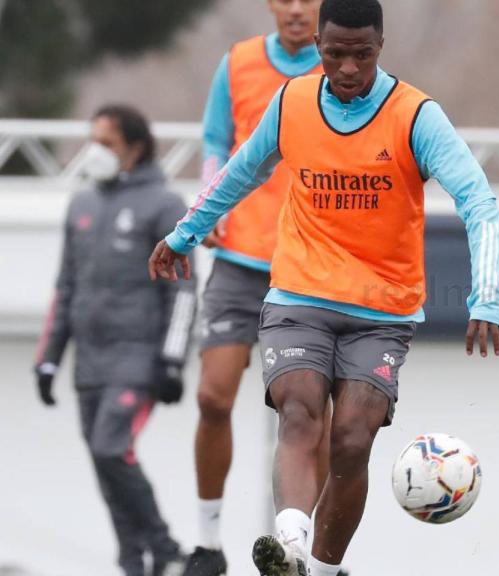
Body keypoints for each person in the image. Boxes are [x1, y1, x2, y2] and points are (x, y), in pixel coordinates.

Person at [148, 1, 499, 574]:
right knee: (298, 412)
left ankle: (320, 570)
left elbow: (480, 204)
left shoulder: (415, 115)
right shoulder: (292, 101)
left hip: (382, 309)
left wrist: (487, 295)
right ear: (318, 45)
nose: (346, 68)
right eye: (334, 53)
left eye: (360, 55)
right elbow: (243, 169)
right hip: (298, 296)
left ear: (380, 47)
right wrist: (186, 233)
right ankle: (289, 549)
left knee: (352, 440)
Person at [184, 2, 324, 574]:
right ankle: (208, 542)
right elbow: (217, 140)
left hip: (309, 263)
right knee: (213, 396)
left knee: (310, 415)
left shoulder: (341, 70)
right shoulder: (238, 63)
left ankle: (309, 556)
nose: (296, 8)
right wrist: (208, 198)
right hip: (240, 258)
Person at [34, 104, 197, 576]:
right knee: (107, 470)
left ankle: (166, 550)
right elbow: (65, 286)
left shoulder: (165, 205)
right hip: (90, 364)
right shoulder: (81, 204)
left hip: (138, 359)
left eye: (106, 142)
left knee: (110, 448)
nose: (95, 151)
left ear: (136, 146)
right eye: (93, 141)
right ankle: (134, 561)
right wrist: (48, 359)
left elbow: (184, 290)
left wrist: (172, 361)